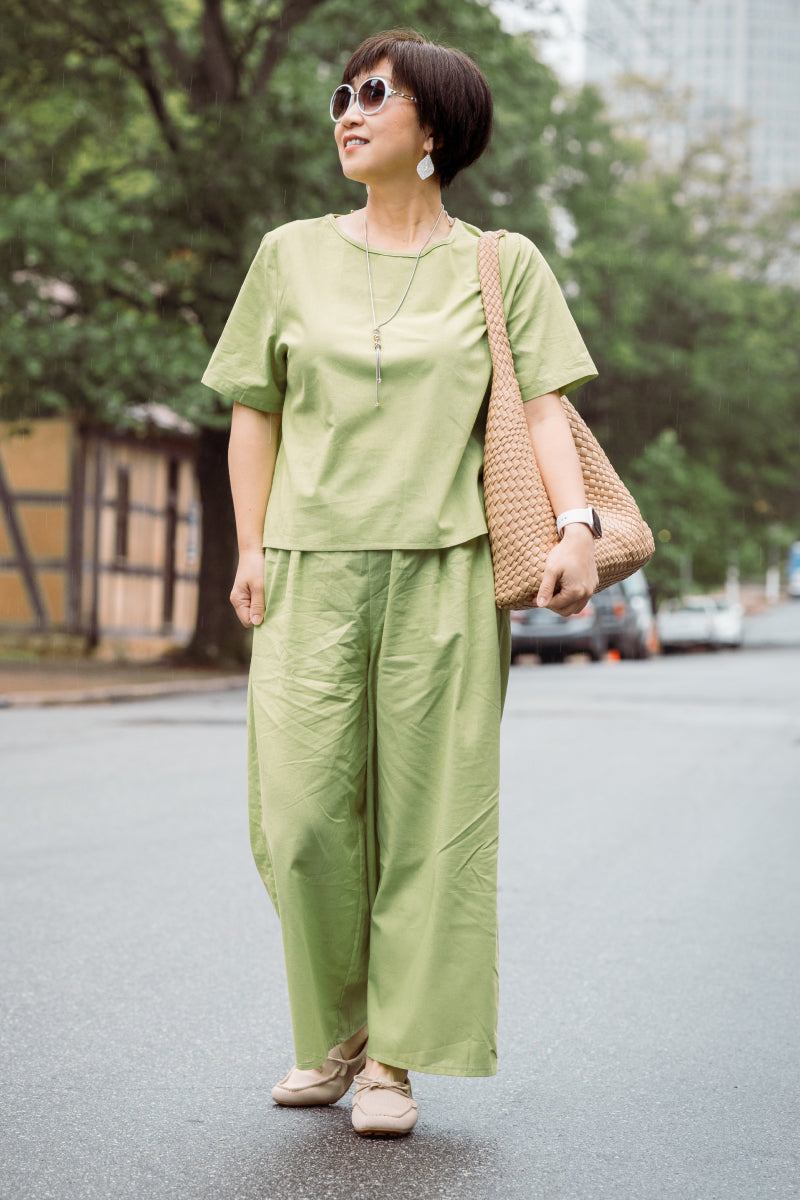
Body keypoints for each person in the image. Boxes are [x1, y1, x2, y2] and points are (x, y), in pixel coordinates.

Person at [200, 27, 600, 1138]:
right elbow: (252, 410)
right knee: (302, 820)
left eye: (375, 95)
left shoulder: (500, 262)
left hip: (447, 573)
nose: (348, 110)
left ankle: (391, 1060)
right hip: (309, 566)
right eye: (344, 93)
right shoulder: (287, 254)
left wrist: (573, 526)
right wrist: (247, 548)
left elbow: (538, 410)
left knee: (431, 823)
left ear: (435, 126)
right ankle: (333, 1031)